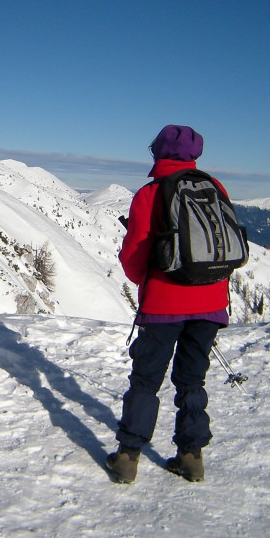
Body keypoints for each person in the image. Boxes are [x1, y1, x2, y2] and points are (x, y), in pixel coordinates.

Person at [105, 124, 231, 484]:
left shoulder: (150, 193)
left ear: (157, 152)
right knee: (192, 380)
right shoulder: (215, 188)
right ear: (195, 154)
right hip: (211, 302)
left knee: (146, 380)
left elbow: (134, 254)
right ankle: (191, 457)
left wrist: (144, 280)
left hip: (163, 303)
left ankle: (128, 457)